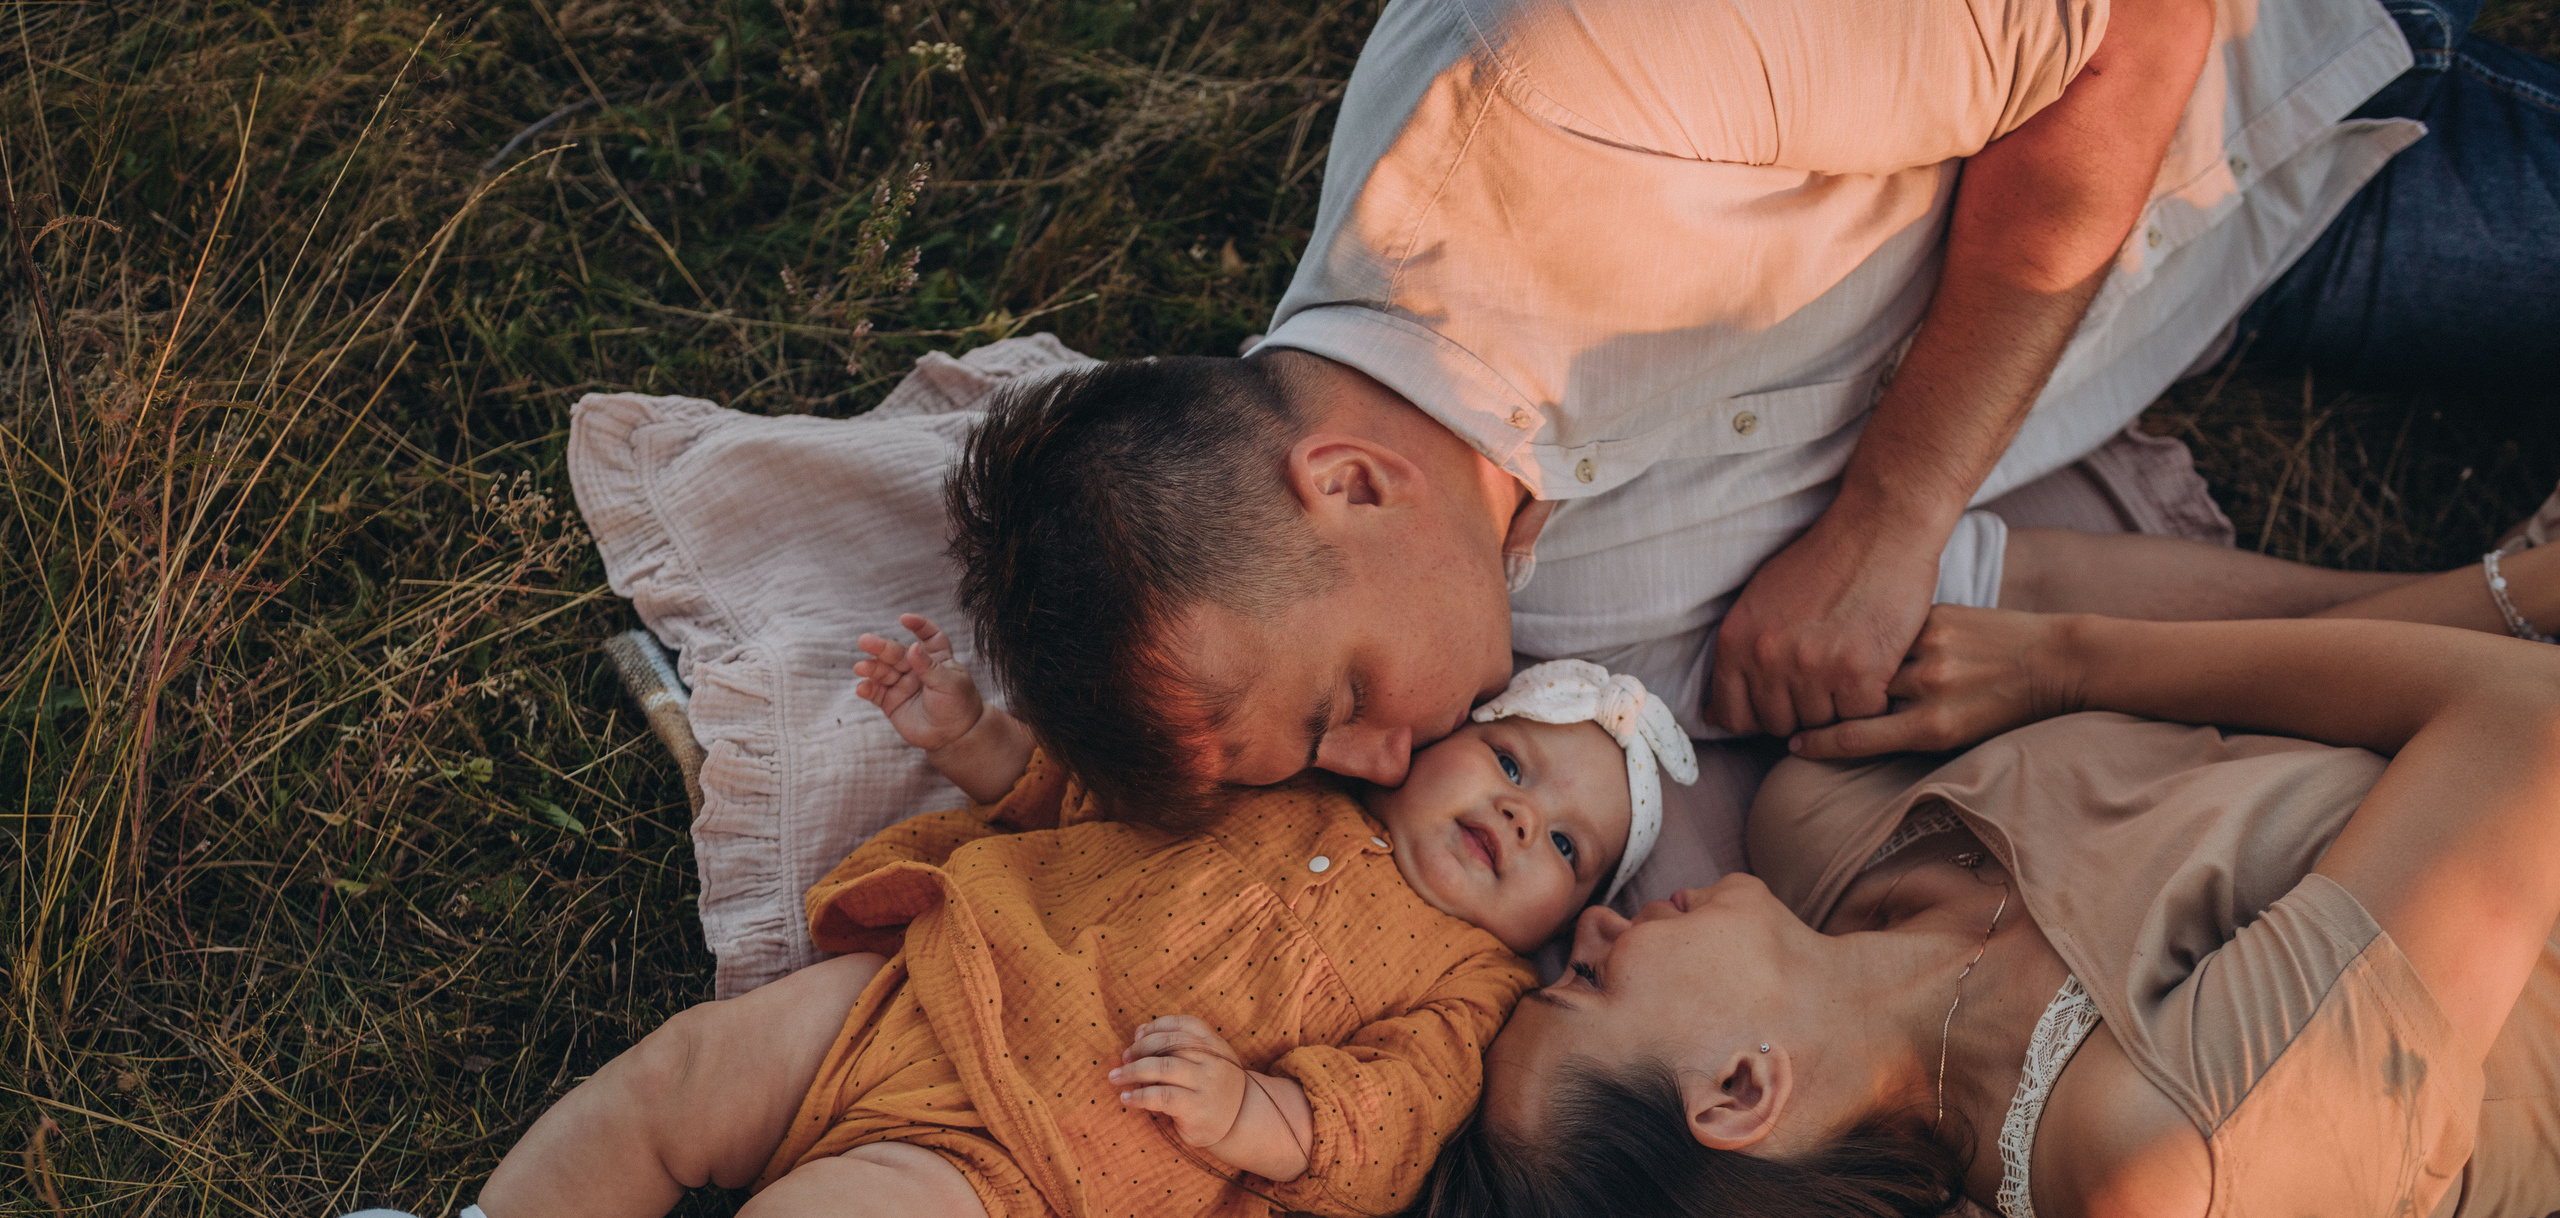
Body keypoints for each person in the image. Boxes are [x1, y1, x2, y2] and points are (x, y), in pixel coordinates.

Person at [951, 0, 2560, 894]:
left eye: (1341, 707)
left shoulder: (1569, 73)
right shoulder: (1528, 619)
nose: (1380, 766)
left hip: (2254, 72)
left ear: (1351, 483)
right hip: (2236, 255)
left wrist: (1887, 513)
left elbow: (2131, 29)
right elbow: (1996, 597)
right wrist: (2466, 613)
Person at [1323, 528, 2560, 1218]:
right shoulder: (2149, 1159)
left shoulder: (1824, 824)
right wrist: (2070, 662)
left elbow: (2027, 591)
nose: (1592, 927)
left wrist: (2505, 594)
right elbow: (2528, 724)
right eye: (1588, 984)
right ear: (1742, 1090)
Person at [298, 623, 1695, 1218]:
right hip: (936, 994)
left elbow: (1392, 1121)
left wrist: (1257, 1110)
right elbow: (1095, 799)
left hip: (1051, 1183)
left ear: (1559, 920)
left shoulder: (1468, 987)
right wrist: (971, 736)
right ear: (1438, 741)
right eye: (1512, 761)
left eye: (1568, 844)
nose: (1521, 817)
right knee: (689, 1076)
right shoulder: (1284, 781)